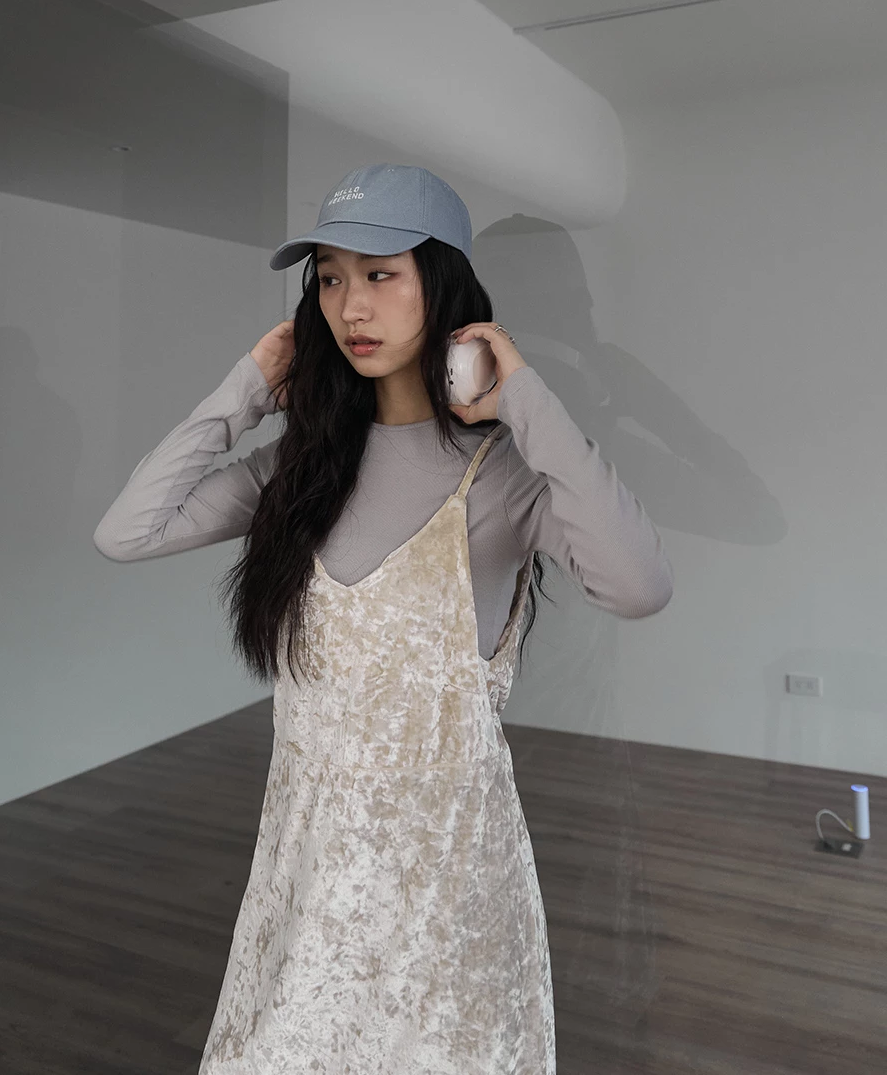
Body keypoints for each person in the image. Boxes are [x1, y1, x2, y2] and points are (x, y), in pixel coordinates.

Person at [93, 163, 674, 1074]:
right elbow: (128, 532)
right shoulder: (299, 469)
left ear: (441, 287)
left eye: (379, 274)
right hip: (306, 874)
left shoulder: (505, 477)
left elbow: (639, 585)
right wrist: (245, 388)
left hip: (447, 893)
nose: (351, 306)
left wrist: (523, 395)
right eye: (329, 279)